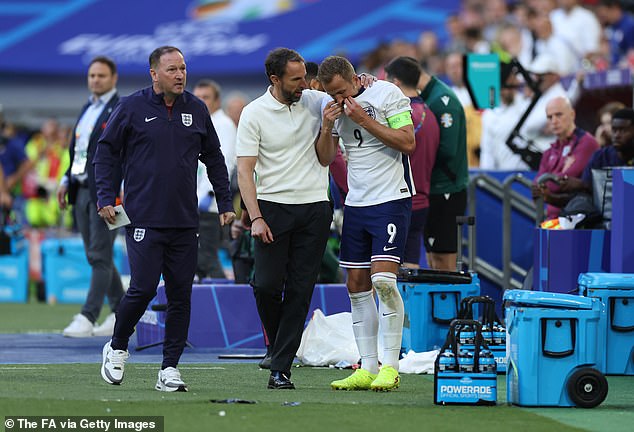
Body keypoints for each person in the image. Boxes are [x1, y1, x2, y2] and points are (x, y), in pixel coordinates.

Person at [94, 46, 235, 392]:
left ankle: (169, 368)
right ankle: (117, 346)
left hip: (185, 221)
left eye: (183, 69)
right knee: (141, 289)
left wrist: (225, 201)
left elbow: (215, 159)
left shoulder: (197, 109)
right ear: (154, 73)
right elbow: (105, 153)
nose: (180, 75)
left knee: (180, 295)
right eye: (172, 69)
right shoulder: (131, 107)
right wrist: (105, 197)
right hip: (142, 217)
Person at [236, 48, 334, 390]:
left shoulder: (316, 101)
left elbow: (326, 160)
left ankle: (281, 367)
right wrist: (256, 217)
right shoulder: (253, 113)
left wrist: (327, 127)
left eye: (305, 77)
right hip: (272, 208)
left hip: (315, 207)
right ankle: (279, 346)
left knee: (300, 289)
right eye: (295, 79)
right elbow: (245, 172)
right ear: (274, 79)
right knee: (264, 285)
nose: (304, 84)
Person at [317, 55, 415, 391]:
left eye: (342, 92)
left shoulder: (387, 94)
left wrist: (363, 119)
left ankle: (391, 365)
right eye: (332, 95)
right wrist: (328, 125)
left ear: (355, 79)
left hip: (390, 198)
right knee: (356, 285)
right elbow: (326, 158)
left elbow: (408, 142)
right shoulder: (331, 108)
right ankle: (367, 366)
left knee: (385, 281)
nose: (339, 100)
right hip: (356, 203)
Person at [57, 56, 124, 338]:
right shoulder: (88, 108)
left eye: (101, 75)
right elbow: (78, 150)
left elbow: (122, 153)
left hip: (105, 194)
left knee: (99, 255)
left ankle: (88, 315)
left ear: (114, 78)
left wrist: (118, 191)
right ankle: (122, 312)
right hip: (81, 189)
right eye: (92, 75)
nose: (95, 80)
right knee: (96, 255)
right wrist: (65, 178)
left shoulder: (119, 109)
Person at [384, 56, 439, 269]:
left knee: (386, 274)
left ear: (396, 83)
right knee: (410, 269)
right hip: (421, 202)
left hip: (397, 201)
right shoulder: (431, 115)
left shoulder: (400, 116)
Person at [417, 59, 469, 271]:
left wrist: (417, 159)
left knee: (444, 261)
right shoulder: (428, 97)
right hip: (432, 188)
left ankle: (447, 305)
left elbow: (448, 150)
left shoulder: (443, 100)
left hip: (447, 188)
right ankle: (437, 304)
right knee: (432, 259)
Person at [192, 79, 237, 280]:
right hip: (195, 201)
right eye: (198, 97)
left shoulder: (223, 125)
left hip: (209, 205)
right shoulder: (201, 121)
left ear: (217, 101)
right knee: (196, 259)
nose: (201, 102)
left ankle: (226, 302)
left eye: (206, 97)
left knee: (205, 257)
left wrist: (210, 195)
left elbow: (224, 163)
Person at [531, 96, 599, 220]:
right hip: (552, 218)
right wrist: (550, 181)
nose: (554, 121)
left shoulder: (587, 143)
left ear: (572, 114)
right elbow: (537, 185)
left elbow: (561, 184)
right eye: (550, 117)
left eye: (559, 115)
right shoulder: (549, 151)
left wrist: (549, 184)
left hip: (576, 218)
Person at [561, 108, 634, 195]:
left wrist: (584, 185)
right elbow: (585, 192)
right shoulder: (600, 156)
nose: (616, 135)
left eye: (623, 130)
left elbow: (626, 195)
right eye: (614, 130)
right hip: (601, 207)